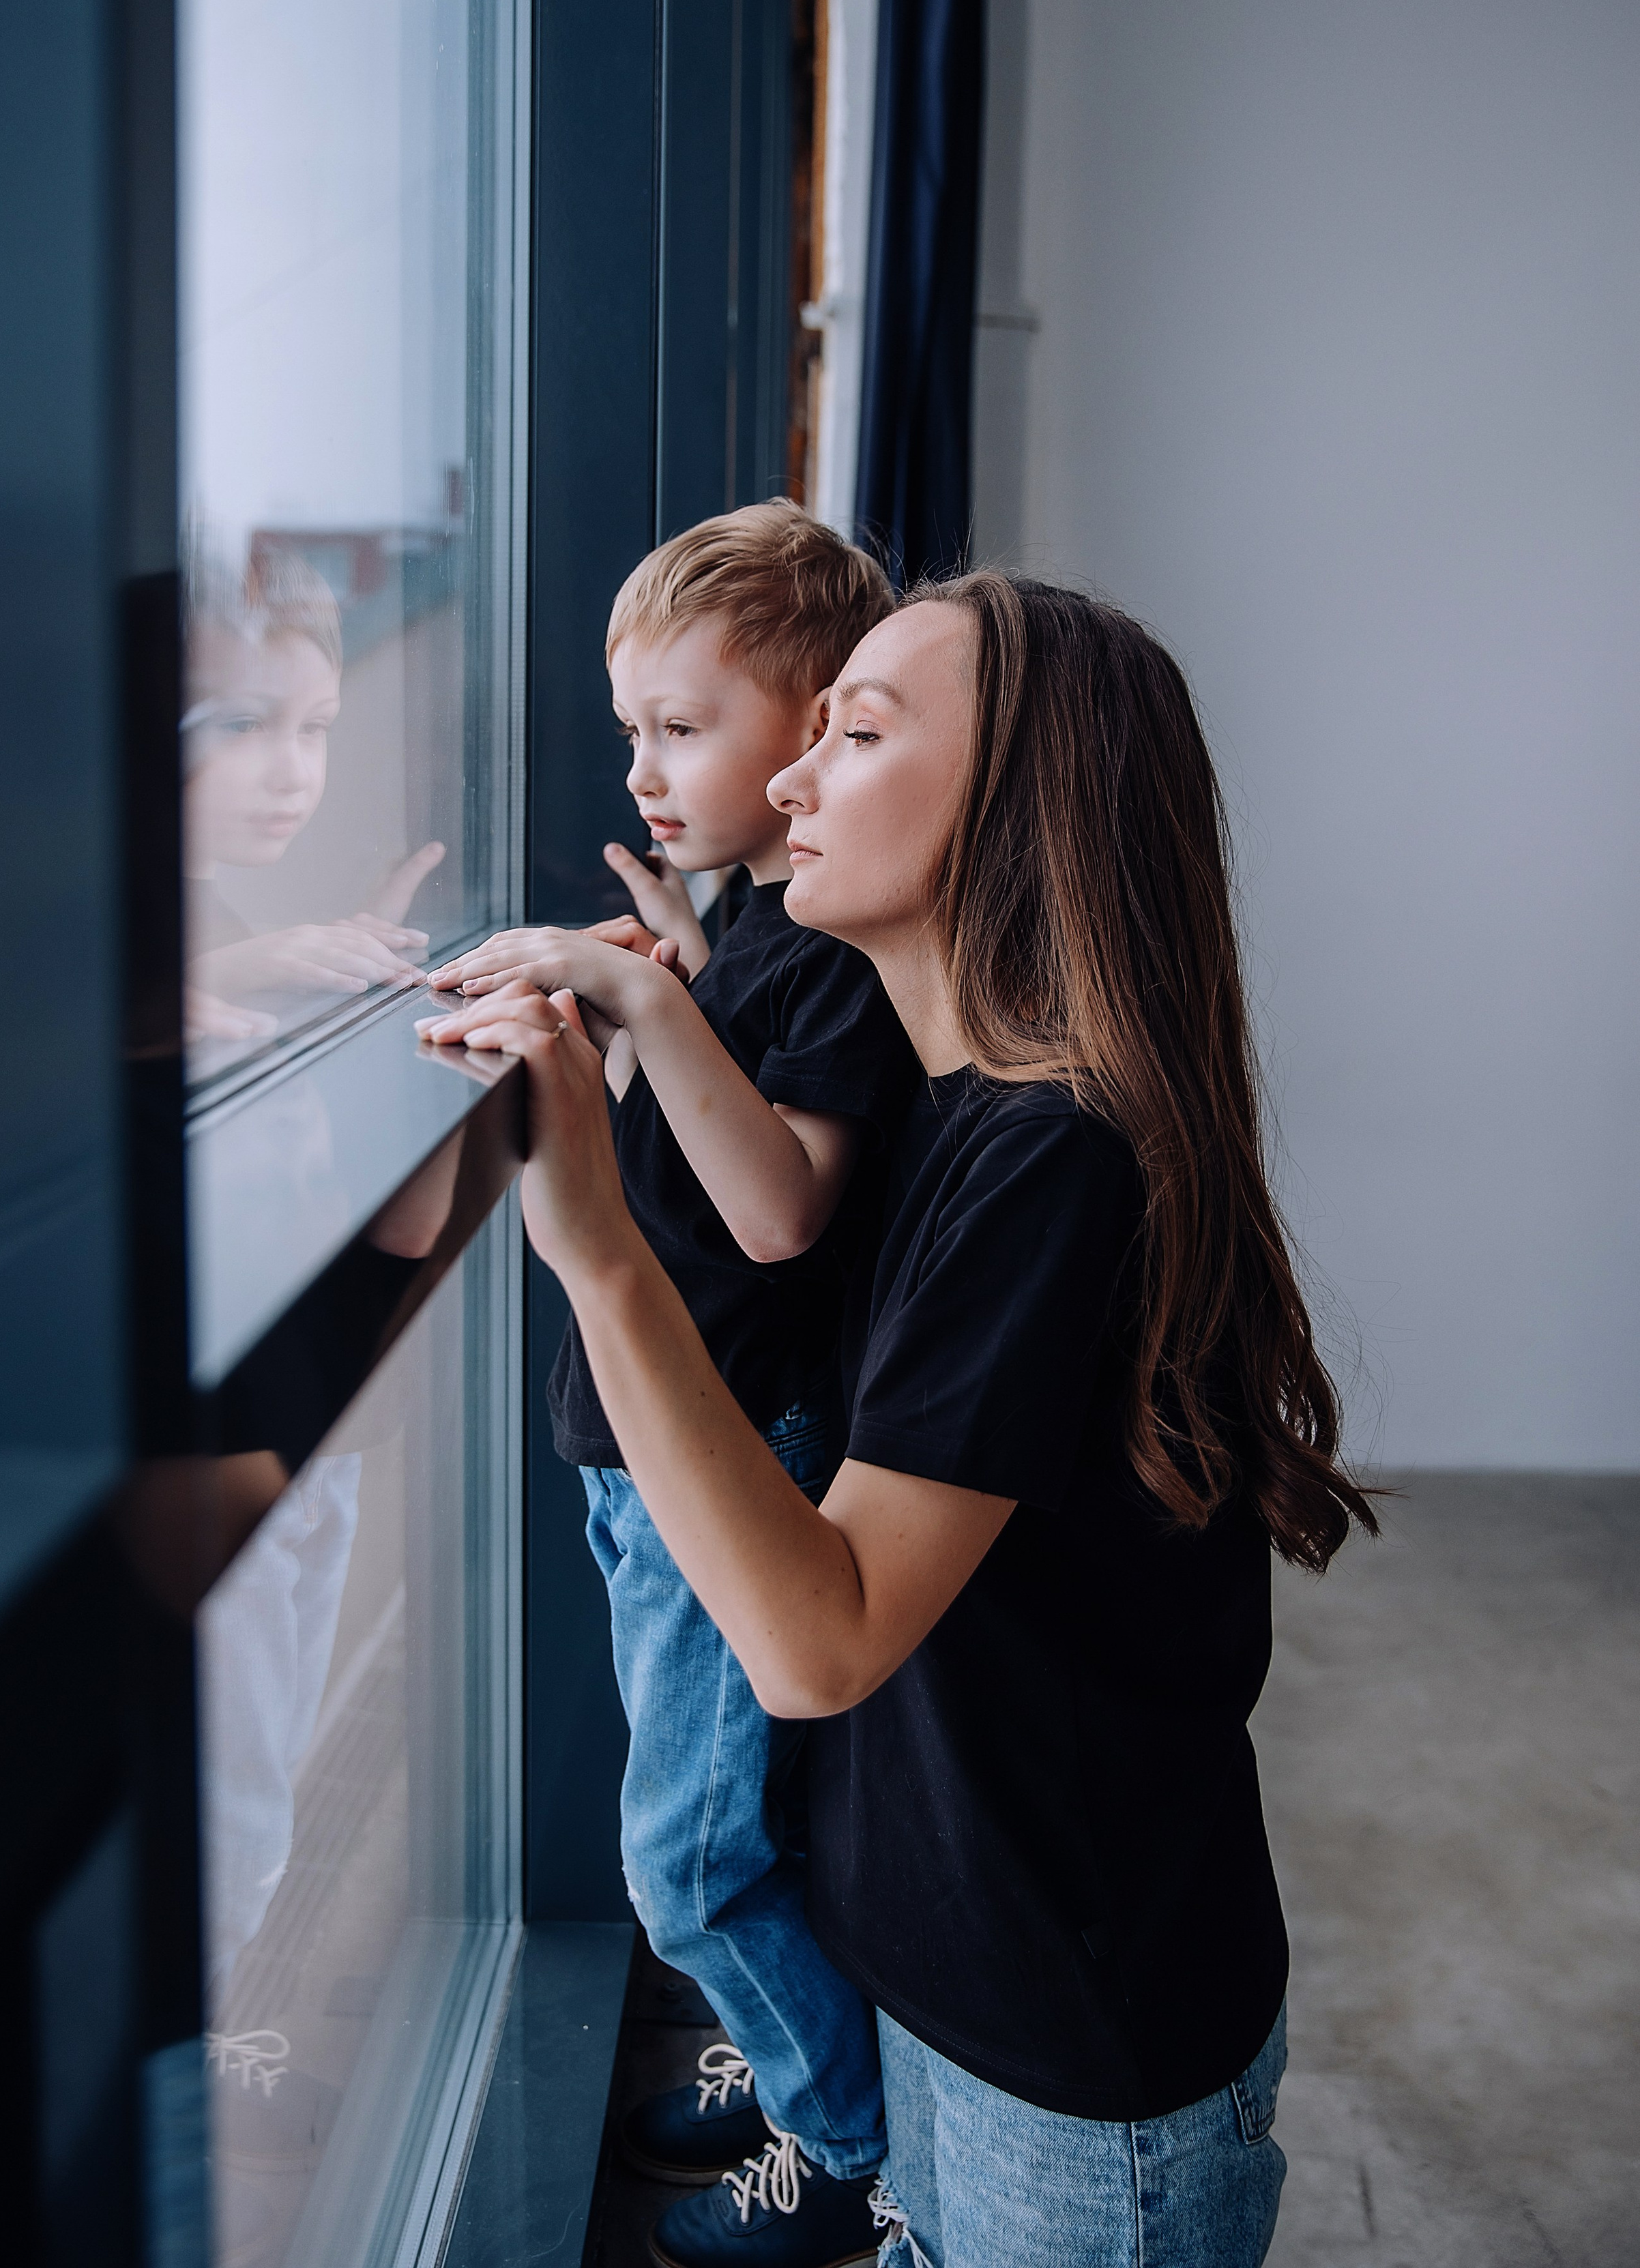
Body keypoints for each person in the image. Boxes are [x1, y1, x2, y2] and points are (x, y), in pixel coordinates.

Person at [441, 573, 1378, 2268]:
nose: (790, 779)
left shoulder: (1050, 1158)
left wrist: (593, 1248)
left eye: (853, 733)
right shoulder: (960, 1113)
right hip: (951, 1981)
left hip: (1072, 2059)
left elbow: (819, 1637)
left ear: (1020, 804)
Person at [422, 505, 914, 2267]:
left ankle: (848, 2149)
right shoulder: (758, 938)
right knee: (717, 1831)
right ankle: (791, 2067)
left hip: (717, 1457)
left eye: (680, 728)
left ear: (809, 735)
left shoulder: (834, 953)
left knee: (688, 1861)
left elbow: (777, 1208)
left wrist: (639, 1004)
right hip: (640, 1450)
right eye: (631, 729)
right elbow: (716, 1129)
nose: (639, 765)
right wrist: (669, 987)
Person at [182, 538, 444, 1046]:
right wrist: (222, 972)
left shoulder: (197, 911)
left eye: (315, 726)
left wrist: (351, 951)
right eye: (243, 724)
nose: (294, 774)